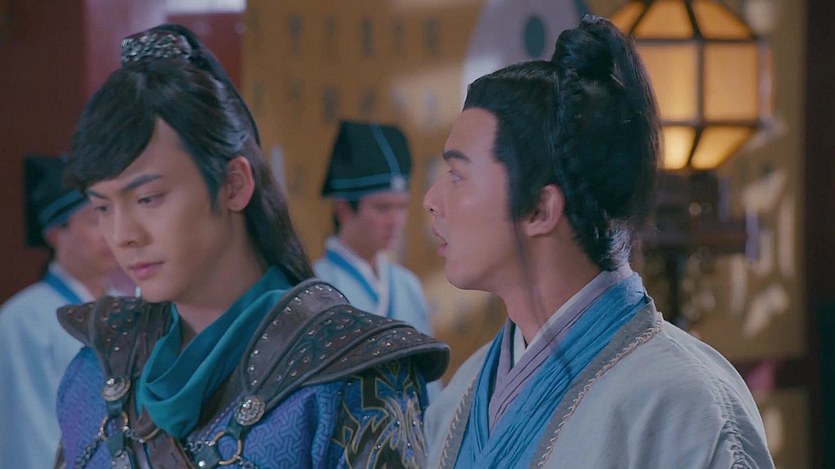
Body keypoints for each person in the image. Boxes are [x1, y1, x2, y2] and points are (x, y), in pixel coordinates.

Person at [55, 24, 448, 469]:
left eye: (149, 198)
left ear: (234, 185)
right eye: (102, 207)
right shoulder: (97, 370)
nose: (123, 234)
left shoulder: (349, 379)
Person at [422, 15, 774, 468]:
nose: (432, 200)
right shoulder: (460, 399)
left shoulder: (684, 405)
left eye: (457, 175)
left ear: (540, 209)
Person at [0, 155, 119, 469]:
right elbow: (29, 436)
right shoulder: (24, 320)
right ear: (55, 234)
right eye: (94, 219)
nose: (110, 232)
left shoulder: (131, 309)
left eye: (110, 215)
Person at [315, 120, 433, 337]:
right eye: (382, 208)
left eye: (402, 207)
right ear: (343, 209)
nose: (395, 221)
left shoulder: (408, 285)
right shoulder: (316, 285)